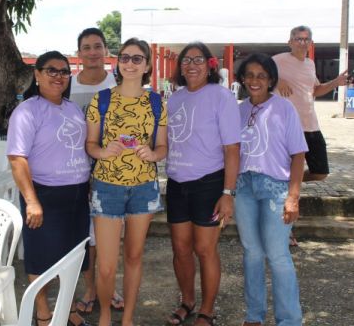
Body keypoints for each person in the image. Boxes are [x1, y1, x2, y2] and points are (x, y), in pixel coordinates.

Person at [86, 38, 167, 326]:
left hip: (143, 188)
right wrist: (102, 151)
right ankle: (105, 317)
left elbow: (162, 147)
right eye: (125, 57)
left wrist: (153, 154)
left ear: (147, 66)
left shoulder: (156, 102)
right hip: (107, 186)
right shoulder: (101, 100)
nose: (130, 63)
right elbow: (90, 145)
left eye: (137, 58)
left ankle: (128, 319)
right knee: (106, 265)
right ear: (118, 62)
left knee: (134, 257)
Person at [7, 51, 91, 326]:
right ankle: (43, 315)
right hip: (44, 195)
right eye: (51, 70)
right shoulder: (27, 111)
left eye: (64, 71)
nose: (59, 76)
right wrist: (32, 201)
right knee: (41, 258)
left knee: (73, 257)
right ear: (37, 74)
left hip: (77, 195)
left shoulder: (73, 109)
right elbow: (17, 158)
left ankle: (68, 310)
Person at [165, 42, 241, 326]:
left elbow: (232, 149)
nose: (191, 65)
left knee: (205, 250)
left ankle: (207, 311)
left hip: (209, 184)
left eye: (198, 60)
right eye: (186, 60)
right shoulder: (174, 99)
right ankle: (187, 301)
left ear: (210, 65)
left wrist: (228, 193)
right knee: (180, 249)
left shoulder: (222, 97)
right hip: (177, 183)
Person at [234, 53, 308, 326]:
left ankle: (289, 319)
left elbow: (298, 155)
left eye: (262, 76)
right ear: (243, 79)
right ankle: (254, 316)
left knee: (277, 254)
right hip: (243, 187)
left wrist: (293, 197)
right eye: (250, 75)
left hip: (275, 188)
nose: (255, 81)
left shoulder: (284, 109)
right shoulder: (238, 110)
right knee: (252, 253)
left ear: (271, 80)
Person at [273, 25, 347, 246]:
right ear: (290, 42)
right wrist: (276, 81)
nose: (302, 42)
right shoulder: (277, 60)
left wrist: (335, 83)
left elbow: (315, 91)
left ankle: (286, 179)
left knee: (320, 172)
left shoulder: (310, 64)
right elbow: (255, 75)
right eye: (298, 39)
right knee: (288, 189)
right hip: (286, 127)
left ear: (310, 43)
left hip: (311, 125)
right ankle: (285, 231)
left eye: (306, 39)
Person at [71, 27, 124, 315]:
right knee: (84, 235)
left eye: (97, 46)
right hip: (73, 171)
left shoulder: (118, 83)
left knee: (108, 235)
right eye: (86, 47)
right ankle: (90, 288)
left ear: (106, 51)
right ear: (79, 53)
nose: (92, 52)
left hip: (111, 171)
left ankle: (109, 286)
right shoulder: (66, 85)